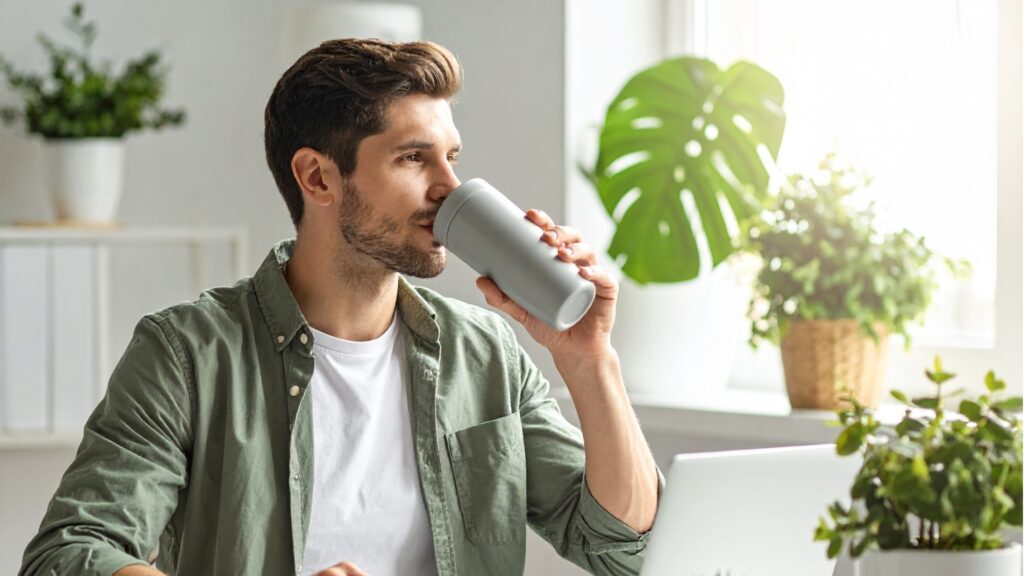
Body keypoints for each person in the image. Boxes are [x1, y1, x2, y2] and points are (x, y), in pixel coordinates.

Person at [19, 39, 659, 576]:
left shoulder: (487, 353)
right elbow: (70, 554)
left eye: (451, 158)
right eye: (414, 158)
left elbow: (621, 550)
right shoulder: (188, 354)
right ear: (318, 178)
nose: (449, 187)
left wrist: (590, 358)